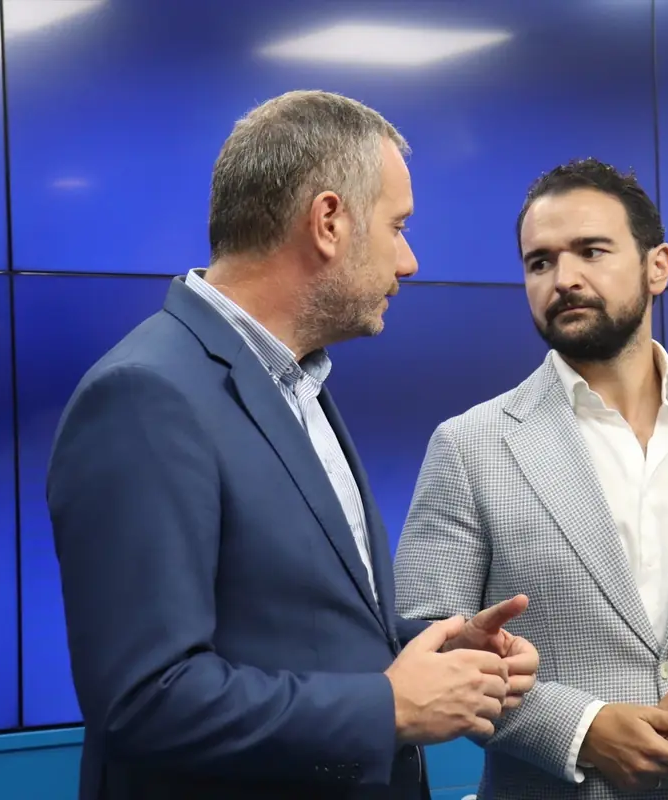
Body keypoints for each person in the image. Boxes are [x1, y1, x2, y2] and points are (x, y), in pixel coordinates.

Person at [47, 90, 539, 800]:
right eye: (397, 227)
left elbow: (290, 626)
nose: (410, 261)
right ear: (329, 221)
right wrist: (391, 707)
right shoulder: (144, 396)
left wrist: (429, 654)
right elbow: (145, 699)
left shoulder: (294, 383)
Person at [393, 158, 668, 800]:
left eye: (591, 251)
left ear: (657, 266)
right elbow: (428, 644)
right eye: (540, 262)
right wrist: (581, 728)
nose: (564, 279)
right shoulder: (471, 446)